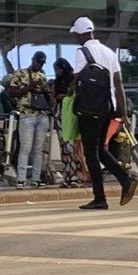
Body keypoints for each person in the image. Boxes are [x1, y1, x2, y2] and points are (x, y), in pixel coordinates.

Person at [69, 16, 138, 209]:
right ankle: (125, 180)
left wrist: (68, 92)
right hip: (107, 108)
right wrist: (123, 113)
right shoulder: (109, 52)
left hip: (88, 108)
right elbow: (118, 83)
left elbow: (76, 80)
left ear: (81, 35)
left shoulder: (82, 52)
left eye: (76, 35)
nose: (76, 38)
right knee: (99, 149)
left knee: (91, 153)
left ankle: (100, 198)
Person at [5, 51, 53, 187]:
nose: (40, 65)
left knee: (38, 149)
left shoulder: (42, 76)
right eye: (38, 62)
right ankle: (21, 179)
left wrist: (46, 90)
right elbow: (12, 92)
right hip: (26, 114)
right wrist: (30, 87)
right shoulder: (20, 74)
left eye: (42, 63)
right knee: (25, 148)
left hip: (41, 114)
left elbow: (48, 96)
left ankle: (36, 179)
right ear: (33, 60)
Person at [52, 57, 83, 187]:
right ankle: (67, 175)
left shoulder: (73, 80)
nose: (57, 72)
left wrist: (63, 96)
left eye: (58, 69)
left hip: (70, 113)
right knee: (64, 146)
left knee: (71, 146)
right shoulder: (57, 82)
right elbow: (54, 97)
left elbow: (73, 94)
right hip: (60, 114)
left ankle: (75, 175)